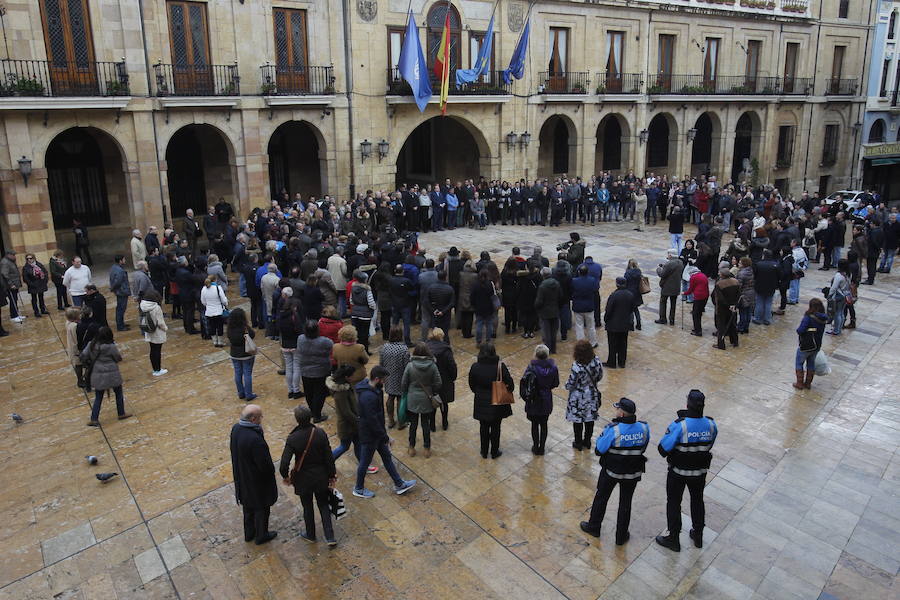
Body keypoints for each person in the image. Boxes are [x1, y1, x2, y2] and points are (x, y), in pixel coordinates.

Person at [579, 398, 650, 545]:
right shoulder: (644, 428)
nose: (615, 411)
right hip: (633, 473)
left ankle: (594, 527)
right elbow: (643, 447)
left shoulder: (614, 429)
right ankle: (621, 536)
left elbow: (599, 449)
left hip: (612, 472)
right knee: (626, 503)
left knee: (601, 498)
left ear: (622, 414)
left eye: (617, 409)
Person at [656, 390, 718, 552]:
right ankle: (698, 535)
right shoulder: (711, 425)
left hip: (678, 473)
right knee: (697, 501)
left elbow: (662, 449)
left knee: (674, 502)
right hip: (699, 473)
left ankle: (673, 538)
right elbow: (709, 445)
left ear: (687, 405)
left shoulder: (680, 425)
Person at [353, 365, 417, 499]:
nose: (385, 382)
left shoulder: (371, 389)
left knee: (386, 457)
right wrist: (385, 437)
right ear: (377, 379)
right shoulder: (368, 397)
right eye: (384, 379)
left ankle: (399, 484)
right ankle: (358, 488)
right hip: (370, 436)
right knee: (365, 462)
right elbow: (373, 420)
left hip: (376, 434)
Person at [278, 405, 337, 546]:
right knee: (323, 504)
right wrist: (331, 475)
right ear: (310, 417)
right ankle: (330, 537)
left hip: (303, 479)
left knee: (307, 506)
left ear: (297, 420)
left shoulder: (292, 438)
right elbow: (328, 457)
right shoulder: (320, 433)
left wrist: (285, 477)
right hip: (320, 476)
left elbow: (284, 463)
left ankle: (310, 534)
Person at [230, 404, 278, 545]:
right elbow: (265, 465)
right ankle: (261, 535)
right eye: (260, 417)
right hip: (256, 481)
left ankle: (249, 533)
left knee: (248, 506)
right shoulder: (255, 440)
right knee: (261, 507)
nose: (261, 419)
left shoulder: (236, 429)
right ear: (252, 419)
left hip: (242, 476)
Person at [468, 343, 514, 459]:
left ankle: (484, 451)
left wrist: (479, 392)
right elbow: (511, 385)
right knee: (496, 427)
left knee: (483, 427)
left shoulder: (475, 367)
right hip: (497, 402)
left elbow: (472, 384)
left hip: (481, 401)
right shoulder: (500, 366)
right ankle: (494, 451)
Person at [81, 326, 132, 426]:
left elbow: (83, 355)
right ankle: (121, 413)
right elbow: (118, 358)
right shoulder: (111, 346)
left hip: (98, 374)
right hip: (112, 374)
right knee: (118, 393)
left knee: (98, 397)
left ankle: (94, 418)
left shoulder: (91, 344)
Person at [401, 342, 442, 457]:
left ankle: (411, 447)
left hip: (412, 398)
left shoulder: (410, 365)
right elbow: (439, 383)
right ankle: (427, 449)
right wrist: (431, 390)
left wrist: (406, 392)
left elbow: (403, 383)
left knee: (413, 424)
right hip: (427, 398)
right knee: (425, 424)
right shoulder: (432, 365)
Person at [565, 340, 604, 449]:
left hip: (578, 398)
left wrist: (566, 385)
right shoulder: (596, 361)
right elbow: (600, 376)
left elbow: (571, 383)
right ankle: (587, 441)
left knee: (578, 421)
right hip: (591, 395)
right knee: (589, 420)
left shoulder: (576, 366)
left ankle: (578, 442)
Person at [522, 344, 559, 455]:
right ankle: (542, 447)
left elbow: (525, 382)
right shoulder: (553, 368)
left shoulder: (531, 368)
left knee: (534, 424)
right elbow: (555, 383)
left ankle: (535, 445)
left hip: (534, 399)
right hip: (546, 398)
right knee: (544, 424)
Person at [297, 320, 333, 423]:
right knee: (319, 393)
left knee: (308, 392)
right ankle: (317, 415)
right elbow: (331, 346)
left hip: (305, 371)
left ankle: (313, 411)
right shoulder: (324, 341)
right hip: (321, 371)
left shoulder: (300, 339)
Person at [379, 325, 410, 429]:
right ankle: (401, 422)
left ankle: (391, 420)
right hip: (401, 377)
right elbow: (407, 366)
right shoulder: (404, 349)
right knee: (400, 398)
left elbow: (381, 364)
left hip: (388, 377)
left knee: (390, 397)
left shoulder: (384, 347)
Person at [425, 328, 456, 431]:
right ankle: (444, 422)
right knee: (444, 402)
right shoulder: (446, 350)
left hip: (430, 380)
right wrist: (453, 377)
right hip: (444, 380)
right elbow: (452, 366)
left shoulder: (425, 348)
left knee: (432, 402)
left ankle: (432, 425)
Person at [794, 298, 827, 390]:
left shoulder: (808, 317)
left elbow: (800, 330)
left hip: (805, 345)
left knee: (799, 363)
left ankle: (799, 383)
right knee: (811, 363)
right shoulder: (823, 318)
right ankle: (808, 383)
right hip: (816, 345)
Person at [277, 288, 304, 399]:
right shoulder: (294, 316)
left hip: (285, 344)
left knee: (288, 367)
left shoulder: (280, 317)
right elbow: (299, 329)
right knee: (296, 367)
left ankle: (290, 390)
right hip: (295, 344)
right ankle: (296, 390)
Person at [603, 277, 634, 368]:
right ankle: (622, 362)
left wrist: (606, 319)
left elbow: (608, 310)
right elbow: (632, 309)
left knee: (612, 344)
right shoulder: (630, 295)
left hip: (613, 325)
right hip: (625, 324)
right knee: (623, 344)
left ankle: (612, 362)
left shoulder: (614, 295)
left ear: (617, 284)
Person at [227, 308, 257, 401]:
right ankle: (249, 394)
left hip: (234, 354)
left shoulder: (229, 328)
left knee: (237, 373)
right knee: (247, 374)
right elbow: (252, 335)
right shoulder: (245, 328)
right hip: (246, 354)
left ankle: (241, 393)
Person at [139, 289, 168, 376]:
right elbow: (160, 322)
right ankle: (158, 370)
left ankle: (155, 369)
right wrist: (166, 328)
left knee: (152, 350)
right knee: (157, 351)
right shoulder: (156, 308)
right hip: (157, 332)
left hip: (149, 330)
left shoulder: (142, 305)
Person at [535, 267, 562, 353]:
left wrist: (536, 307)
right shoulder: (557, 283)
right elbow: (561, 296)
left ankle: (547, 351)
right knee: (554, 332)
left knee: (546, 333)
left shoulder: (542, 286)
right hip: (555, 310)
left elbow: (539, 301)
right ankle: (553, 349)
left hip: (545, 312)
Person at [572, 264, 600, 347]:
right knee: (591, 326)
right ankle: (593, 342)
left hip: (578, 306)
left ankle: (581, 344)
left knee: (579, 326)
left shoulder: (574, 281)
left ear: (579, 272)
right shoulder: (592, 280)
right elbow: (596, 289)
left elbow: (571, 290)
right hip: (589, 306)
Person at [349, 271, 376, 353]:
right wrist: (373, 308)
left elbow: (351, 301)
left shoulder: (353, 288)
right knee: (364, 335)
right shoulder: (367, 290)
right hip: (365, 315)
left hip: (355, 314)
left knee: (356, 334)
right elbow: (371, 303)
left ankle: (356, 351)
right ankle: (364, 352)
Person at [655, 249, 684, 326]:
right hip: (676, 287)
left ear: (670, 255)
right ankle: (672, 319)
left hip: (667, 287)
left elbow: (662, 274)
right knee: (673, 304)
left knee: (663, 302)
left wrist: (658, 269)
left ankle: (662, 319)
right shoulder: (680, 262)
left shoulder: (669, 263)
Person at [200, 276, 228, 347]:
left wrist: (208, 305)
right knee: (219, 327)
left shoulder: (204, 289)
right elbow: (223, 300)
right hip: (218, 311)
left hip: (209, 312)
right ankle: (220, 342)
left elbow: (203, 301)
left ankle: (215, 342)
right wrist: (225, 304)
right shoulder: (218, 288)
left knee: (212, 327)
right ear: (215, 280)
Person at [827, 259, 852, 335]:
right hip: (846, 295)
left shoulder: (838, 275)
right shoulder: (848, 274)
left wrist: (829, 295)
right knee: (841, 313)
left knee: (837, 313)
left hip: (839, 296)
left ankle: (836, 330)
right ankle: (839, 329)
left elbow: (834, 287)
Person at [21, 253, 50, 319]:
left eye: (30, 258)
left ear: (33, 258)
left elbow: (45, 272)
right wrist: (32, 284)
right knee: (34, 299)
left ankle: (43, 309)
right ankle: (36, 312)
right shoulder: (26, 267)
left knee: (41, 297)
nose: (29, 260)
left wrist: (45, 280)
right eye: (27, 259)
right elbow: (25, 278)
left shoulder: (39, 265)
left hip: (41, 284)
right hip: (33, 285)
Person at [683, 268, 709, 336]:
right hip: (705, 296)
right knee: (699, 313)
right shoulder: (702, 275)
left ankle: (698, 331)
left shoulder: (693, 277)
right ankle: (697, 328)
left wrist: (684, 293)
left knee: (695, 314)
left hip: (699, 297)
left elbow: (691, 289)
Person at [1, 251, 23, 322]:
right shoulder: (5, 262)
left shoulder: (10, 261)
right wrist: (11, 284)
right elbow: (5, 274)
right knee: (13, 300)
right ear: (8, 255)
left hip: (15, 284)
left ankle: (16, 314)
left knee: (15, 299)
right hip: (10, 286)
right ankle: (14, 316)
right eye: (13, 255)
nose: (14, 256)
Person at [64, 307, 83, 385]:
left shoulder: (68, 322)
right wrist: (77, 351)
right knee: (78, 365)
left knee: (78, 364)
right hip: (75, 348)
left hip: (71, 346)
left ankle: (81, 379)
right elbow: (76, 339)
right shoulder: (74, 326)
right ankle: (80, 381)